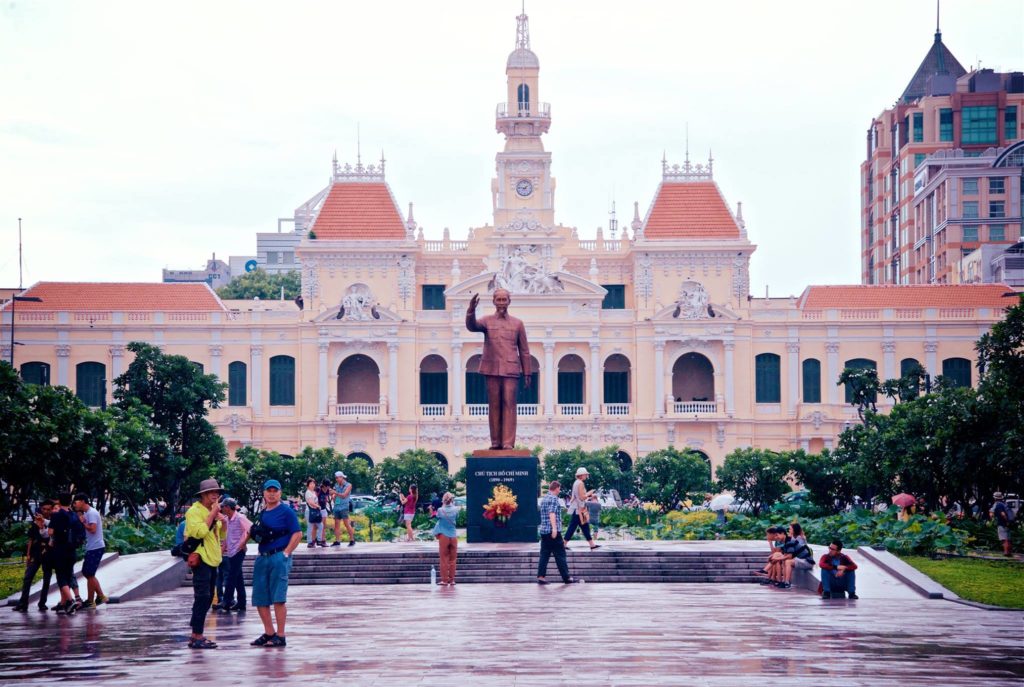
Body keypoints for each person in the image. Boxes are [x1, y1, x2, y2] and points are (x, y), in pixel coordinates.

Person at [465, 289, 532, 449]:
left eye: (504, 300)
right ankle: (495, 442)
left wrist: (527, 372)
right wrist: (471, 310)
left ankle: (508, 443)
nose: (501, 303)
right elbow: (472, 326)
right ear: (494, 301)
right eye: (499, 300)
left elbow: (524, 350)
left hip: (510, 369)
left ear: (509, 301)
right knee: (494, 404)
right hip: (492, 368)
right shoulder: (486, 321)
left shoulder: (517, 323)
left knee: (509, 403)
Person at [250, 479, 302, 648]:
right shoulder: (263, 512)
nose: (271, 493)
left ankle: (281, 635)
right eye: (268, 491)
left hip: (278, 556)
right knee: (260, 598)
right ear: (264, 493)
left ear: (280, 493)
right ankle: (269, 632)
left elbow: (298, 534)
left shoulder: (286, 511)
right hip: (262, 556)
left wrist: (286, 553)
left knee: (279, 598)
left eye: (275, 491)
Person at [184, 479, 226, 649]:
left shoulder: (213, 511)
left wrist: (222, 520)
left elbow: (221, 534)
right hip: (201, 558)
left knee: (208, 597)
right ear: (202, 494)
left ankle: (196, 634)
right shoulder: (194, 511)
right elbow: (200, 532)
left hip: (213, 558)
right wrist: (213, 514)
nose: (215, 495)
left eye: (217, 492)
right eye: (211, 492)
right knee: (202, 596)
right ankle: (197, 634)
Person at [48, 493, 82, 615]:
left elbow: (50, 531)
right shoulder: (74, 516)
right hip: (72, 550)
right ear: (70, 501)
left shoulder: (56, 516)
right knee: (68, 575)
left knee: (61, 577)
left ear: (59, 501)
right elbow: (80, 533)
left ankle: (70, 600)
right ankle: (63, 603)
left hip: (60, 549)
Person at [13, 508, 52, 612]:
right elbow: (30, 540)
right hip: (35, 554)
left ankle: (42, 603)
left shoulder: (52, 523)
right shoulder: (34, 525)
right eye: (43, 509)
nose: (45, 511)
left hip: (48, 555)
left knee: (47, 579)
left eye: (48, 509)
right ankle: (23, 603)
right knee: (27, 578)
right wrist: (28, 555)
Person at [537, 481, 577, 584]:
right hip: (552, 532)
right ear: (556, 488)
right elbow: (552, 513)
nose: (559, 490)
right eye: (559, 488)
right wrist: (554, 529)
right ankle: (566, 578)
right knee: (560, 554)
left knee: (544, 555)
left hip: (544, 531)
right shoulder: (554, 499)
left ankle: (541, 577)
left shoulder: (544, 498)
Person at [73, 494, 108, 608]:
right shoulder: (87, 513)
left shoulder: (91, 513)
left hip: (96, 547)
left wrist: (83, 522)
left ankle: (90, 600)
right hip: (92, 546)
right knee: (87, 572)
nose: (75, 504)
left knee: (89, 573)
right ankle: (101, 596)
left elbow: (93, 529)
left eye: (76, 502)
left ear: (83, 501)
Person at [218, 498, 251, 612]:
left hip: (238, 551)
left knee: (232, 576)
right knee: (238, 578)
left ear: (227, 507)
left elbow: (251, 529)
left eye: (223, 506)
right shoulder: (227, 519)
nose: (221, 509)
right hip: (231, 551)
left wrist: (243, 542)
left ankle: (226, 601)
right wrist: (222, 551)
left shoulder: (240, 517)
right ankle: (242, 603)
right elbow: (228, 537)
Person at [563, 468, 600, 550]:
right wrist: (590, 493)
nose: (587, 476)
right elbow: (582, 497)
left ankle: (591, 544)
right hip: (579, 509)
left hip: (578, 509)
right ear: (582, 475)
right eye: (586, 474)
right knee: (575, 527)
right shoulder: (580, 483)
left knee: (583, 526)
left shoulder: (576, 483)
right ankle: (563, 544)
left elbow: (577, 496)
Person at [776, 523, 815, 589]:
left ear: (783, 534)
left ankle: (787, 582)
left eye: (777, 535)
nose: (776, 537)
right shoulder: (787, 541)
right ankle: (784, 581)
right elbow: (786, 555)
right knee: (784, 560)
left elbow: (790, 556)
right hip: (800, 559)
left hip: (807, 561)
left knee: (788, 561)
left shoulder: (792, 540)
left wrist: (777, 559)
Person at [433, 492, 460, 586]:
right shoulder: (456, 509)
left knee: (444, 559)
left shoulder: (440, 510)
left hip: (444, 536)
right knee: (453, 559)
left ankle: (444, 580)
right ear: (452, 500)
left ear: (443, 500)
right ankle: (452, 580)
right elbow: (457, 517)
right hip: (453, 536)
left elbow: (437, 517)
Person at [331, 471, 356, 547]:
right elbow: (335, 496)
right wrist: (333, 496)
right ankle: (337, 540)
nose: (336, 479)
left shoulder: (348, 485)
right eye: (336, 478)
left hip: (344, 506)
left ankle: (352, 540)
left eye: (337, 478)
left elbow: (344, 495)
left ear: (342, 477)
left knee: (346, 523)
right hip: (337, 506)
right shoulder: (336, 485)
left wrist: (335, 493)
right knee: (336, 524)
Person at [991, 492, 1014, 557]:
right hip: (1008, 524)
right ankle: (1009, 552)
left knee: (1004, 539)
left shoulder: (998, 505)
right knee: (1008, 539)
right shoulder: (1004, 504)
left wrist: (1006, 521)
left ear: (995, 498)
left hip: (1002, 524)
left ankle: (1006, 553)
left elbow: (1003, 514)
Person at [303, 479, 322, 548]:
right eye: (311, 484)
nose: (312, 485)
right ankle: (309, 542)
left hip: (315, 511)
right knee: (310, 527)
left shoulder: (314, 492)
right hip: (310, 512)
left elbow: (316, 501)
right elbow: (310, 502)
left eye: (313, 483)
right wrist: (318, 506)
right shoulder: (308, 492)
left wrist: (317, 506)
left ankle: (318, 540)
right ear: (308, 485)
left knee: (321, 526)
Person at [317, 480, 331, 547]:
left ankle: (323, 540)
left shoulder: (328, 490)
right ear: (324, 485)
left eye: (328, 486)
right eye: (327, 486)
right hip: (318, 509)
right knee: (318, 525)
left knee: (323, 525)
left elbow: (327, 497)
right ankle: (318, 540)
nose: (327, 487)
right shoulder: (318, 490)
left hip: (324, 509)